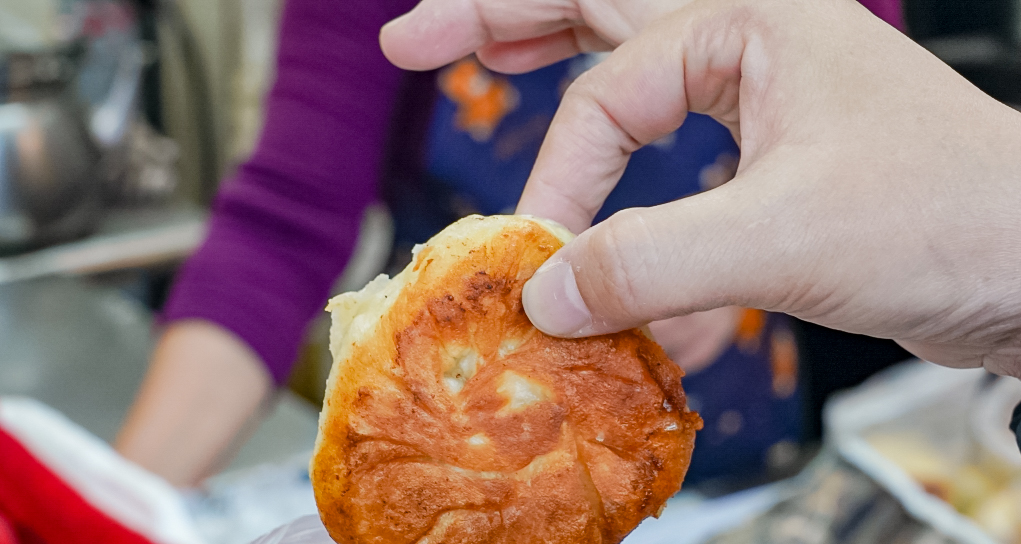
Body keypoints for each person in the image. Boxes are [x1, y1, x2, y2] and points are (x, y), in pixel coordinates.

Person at [118, 0, 914, 486]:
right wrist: (118, 507)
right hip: (450, 454)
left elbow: (858, 130)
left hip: (727, 445)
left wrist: (744, 257)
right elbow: (282, 226)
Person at [381, 0, 1021, 386]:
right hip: (443, 361)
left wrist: (729, 256)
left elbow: (863, 134)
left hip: (747, 381)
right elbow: (291, 216)